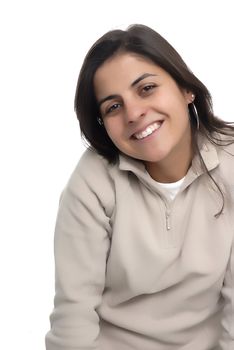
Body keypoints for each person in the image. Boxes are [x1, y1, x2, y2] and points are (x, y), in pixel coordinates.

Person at [45, 24, 234, 350]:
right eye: (113, 107)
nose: (134, 113)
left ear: (186, 89)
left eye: (146, 88)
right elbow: (74, 313)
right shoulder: (92, 183)